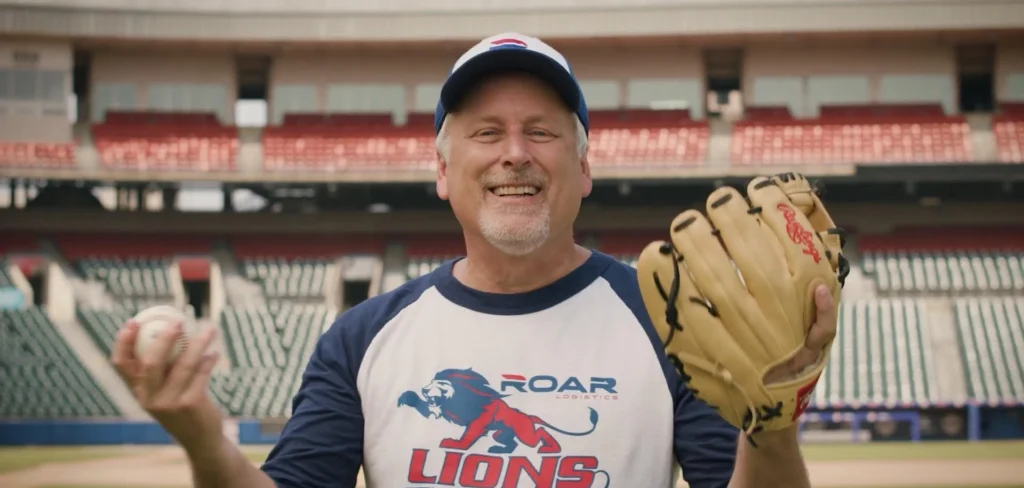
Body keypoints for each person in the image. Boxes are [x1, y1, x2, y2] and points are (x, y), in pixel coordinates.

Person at [112, 32, 832, 488]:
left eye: (542, 132)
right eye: (487, 132)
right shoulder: (362, 338)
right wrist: (206, 445)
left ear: (584, 170)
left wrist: (771, 430)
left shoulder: (666, 317)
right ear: (442, 171)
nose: (515, 152)